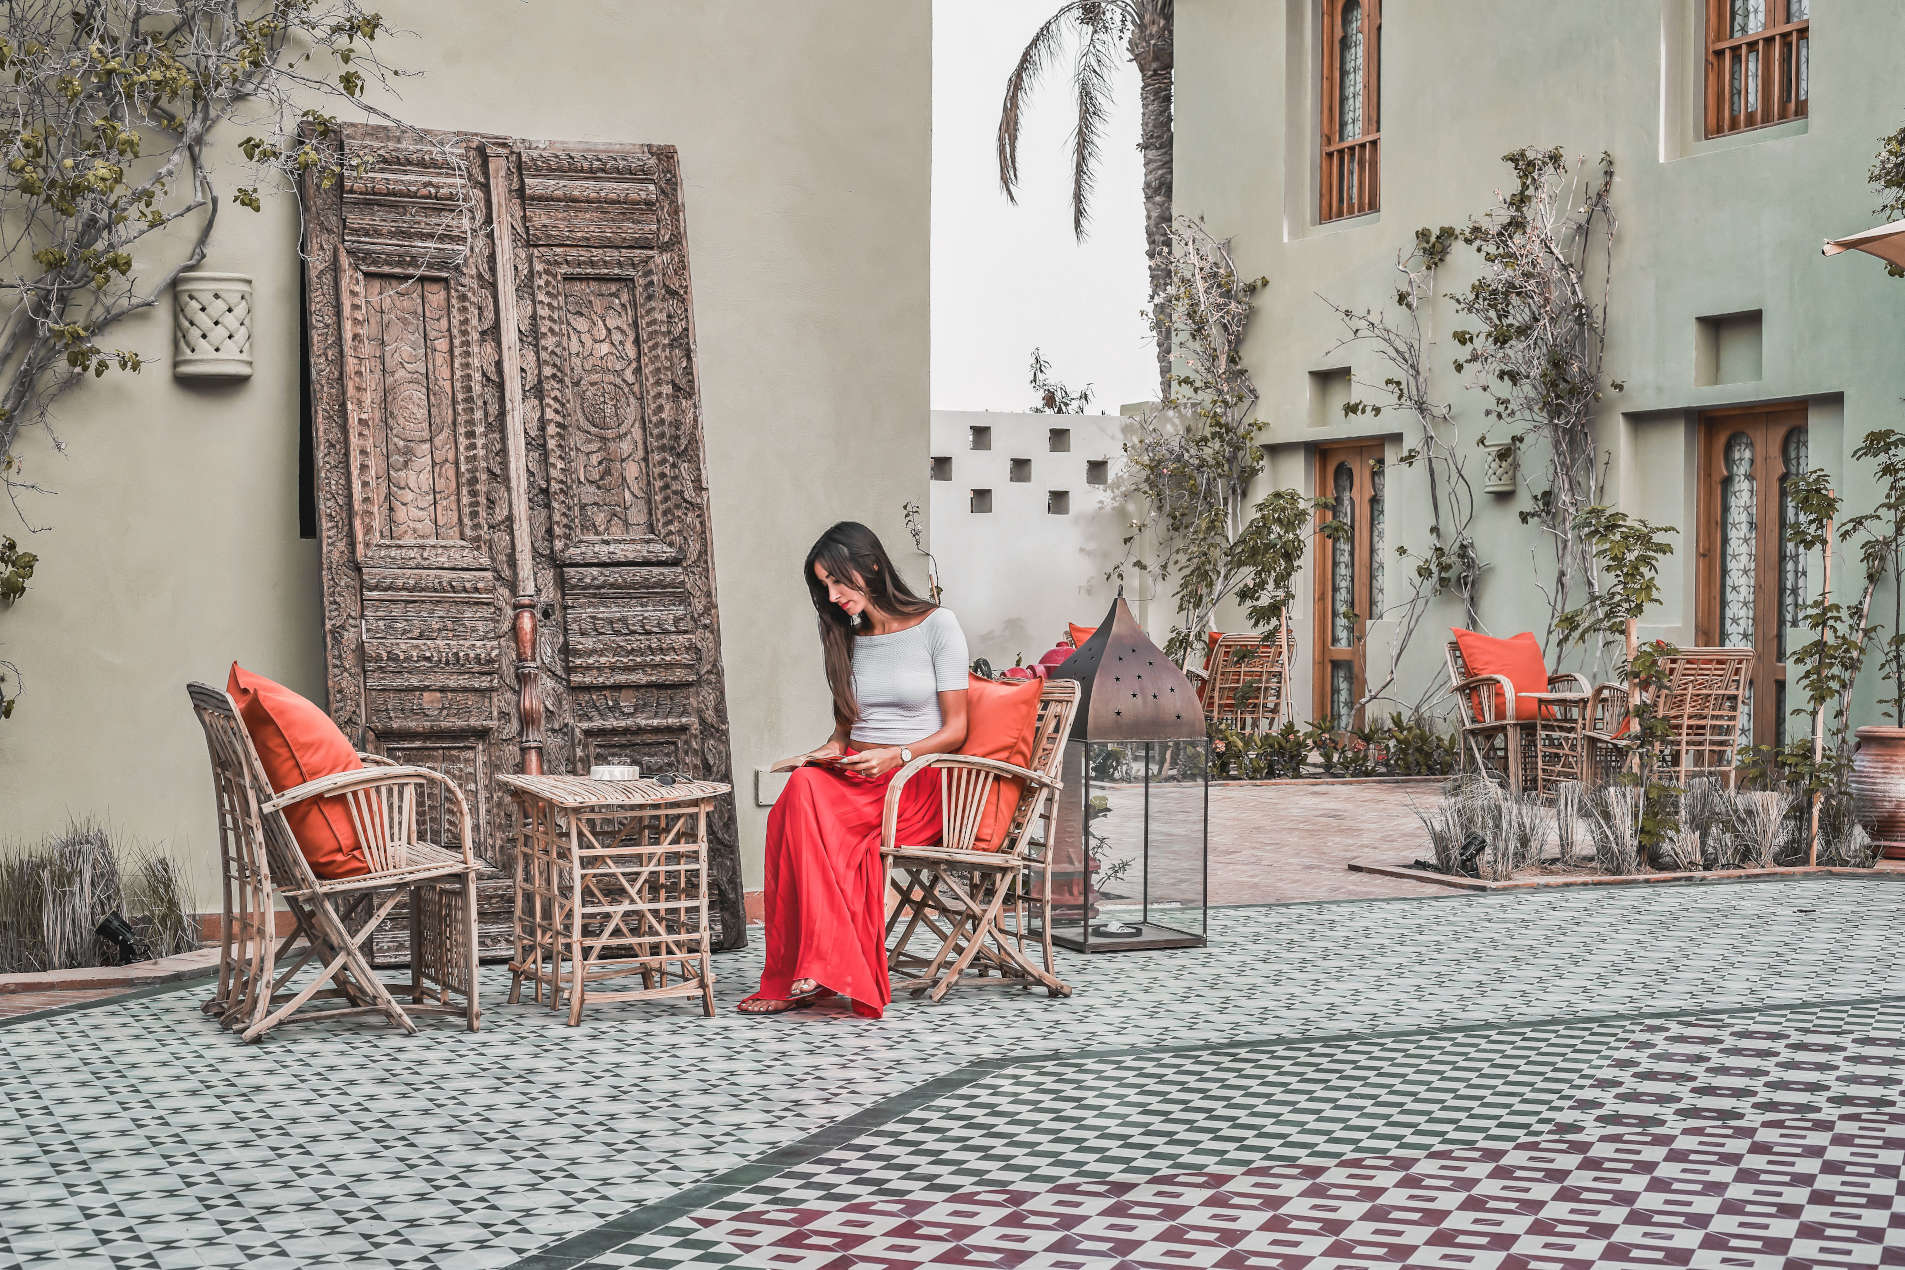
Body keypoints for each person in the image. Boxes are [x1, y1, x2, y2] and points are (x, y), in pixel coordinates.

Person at [738, 522, 970, 1018]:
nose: (833, 595)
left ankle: (816, 968)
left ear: (870, 565)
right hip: (858, 773)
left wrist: (898, 755)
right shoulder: (848, 637)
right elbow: (844, 733)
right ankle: (803, 967)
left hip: (913, 782)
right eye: (824, 586)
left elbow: (957, 730)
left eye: (838, 581)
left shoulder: (937, 624)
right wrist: (823, 752)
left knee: (813, 816)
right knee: (798, 794)